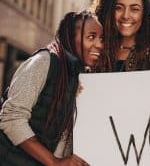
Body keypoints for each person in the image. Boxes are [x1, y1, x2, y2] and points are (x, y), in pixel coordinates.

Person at [0, 10, 104, 166]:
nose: (99, 44)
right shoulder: (43, 62)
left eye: (101, 39)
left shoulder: (79, 77)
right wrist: (54, 161)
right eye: (91, 37)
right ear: (70, 37)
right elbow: (12, 119)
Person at [91, 0, 150, 72]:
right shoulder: (94, 51)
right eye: (119, 8)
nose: (126, 16)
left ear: (145, 13)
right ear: (108, 11)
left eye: (134, 9)